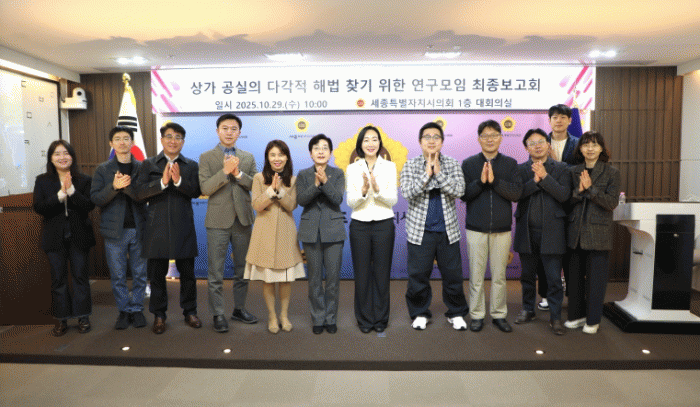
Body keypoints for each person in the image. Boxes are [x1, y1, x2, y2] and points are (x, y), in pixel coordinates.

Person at [400, 122, 468, 331]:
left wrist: (439, 173)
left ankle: (456, 313)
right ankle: (420, 312)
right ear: (420, 141)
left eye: (436, 137)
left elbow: (459, 191)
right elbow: (407, 192)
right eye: (427, 137)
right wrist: (427, 174)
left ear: (442, 141)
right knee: (418, 276)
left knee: (453, 276)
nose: (431, 140)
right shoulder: (410, 165)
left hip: (448, 231)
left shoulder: (452, 164)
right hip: (420, 232)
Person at [135, 122, 202, 334]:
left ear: (183, 142)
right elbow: (139, 193)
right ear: (162, 139)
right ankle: (159, 315)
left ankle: (190, 311)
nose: (173, 141)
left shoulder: (191, 165)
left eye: (178, 137)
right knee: (157, 276)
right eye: (169, 136)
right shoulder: (148, 164)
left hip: (183, 226)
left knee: (188, 275)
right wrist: (162, 183)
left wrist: (179, 181)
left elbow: (196, 191)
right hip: (157, 227)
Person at [199, 113, 258, 333]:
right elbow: (205, 188)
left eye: (234, 129)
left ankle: (239, 309)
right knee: (216, 271)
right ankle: (218, 313)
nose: (229, 132)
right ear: (217, 131)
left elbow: (256, 185)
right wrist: (225, 172)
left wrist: (239, 173)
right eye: (225, 128)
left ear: (239, 133)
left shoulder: (248, 157)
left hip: (243, 220)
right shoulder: (207, 157)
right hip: (217, 221)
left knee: (242, 270)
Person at [461, 120, 521, 333]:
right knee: (476, 276)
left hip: (502, 229)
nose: (490, 139)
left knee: (499, 277)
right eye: (485, 135)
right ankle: (476, 315)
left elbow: (516, 193)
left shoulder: (510, 164)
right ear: (479, 139)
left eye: (494, 135)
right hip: (475, 229)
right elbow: (464, 195)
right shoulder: (469, 164)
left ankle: (499, 314)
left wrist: (494, 182)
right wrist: (481, 182)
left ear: (500, 138)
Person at [512, 129, 571, 335]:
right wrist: (535, 182)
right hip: (527, 232)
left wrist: (545, 177)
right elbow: (517, 194)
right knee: (527, 276)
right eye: (532, 143)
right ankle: (528, 309)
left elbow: (564, 195)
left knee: (554, 278)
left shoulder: (562, 168)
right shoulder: (520, 169)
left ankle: (555, 317)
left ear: (548, 145)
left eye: (541, 142)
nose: (537, 146)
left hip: (553, 232)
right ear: (526, 147)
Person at [33, 140, 95, 336]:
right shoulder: (42, 181)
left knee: (80, 277)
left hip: (79, 235)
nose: (62, 157)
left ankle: (83, 317)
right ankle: (62, 319)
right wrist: (60, 195)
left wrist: (73, 192)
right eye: (57, 154)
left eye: (66, 153)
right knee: (58, 279)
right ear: (51, 159)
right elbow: (39, 207)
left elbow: (89, 206)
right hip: (54, 237)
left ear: (72, 156)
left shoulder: (84, 180)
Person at [90, 126, 148, 330]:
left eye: (126, 138)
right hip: (115, 231)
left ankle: (137, 309)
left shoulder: (142, 167)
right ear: (111, 143)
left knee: (140, 273)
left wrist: (127, 187)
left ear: (132, 142)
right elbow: (96, 198)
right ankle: (124, 310)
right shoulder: (103, 169)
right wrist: (114, 187)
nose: (122, 142)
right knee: (118, 275)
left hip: (139, 229)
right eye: (118, 139)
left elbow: (145, 195)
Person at [244, 140, 304, 334]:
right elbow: (257, 205)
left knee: (286, 279)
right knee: (268, 279)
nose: (277, 158)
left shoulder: (293, 180)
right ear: (267, 158)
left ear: (287, 157)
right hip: (264, 233)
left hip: (286, 233)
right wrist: (271, 190)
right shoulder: (258, 178)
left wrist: (281, 191)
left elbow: (292, 205)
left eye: (281, 154)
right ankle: (272, 316)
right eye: (273, 155)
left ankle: (284, 315)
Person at [564, 131, 621, 334]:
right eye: (586, 144)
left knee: (596, 281)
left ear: (601, 149)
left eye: (595, 145)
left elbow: (611, 203)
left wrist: (591, 189)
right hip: (575, 232)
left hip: (599, 232)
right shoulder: (572, 171)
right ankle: (576, 316)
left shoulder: (611, 172)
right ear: (580, 148)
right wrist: (579, 192)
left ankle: (593, 320)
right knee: (574, 279)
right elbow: (566, 201)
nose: (590, 148)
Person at [346, 125, 398, 333]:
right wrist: (363, 192)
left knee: (382, 273)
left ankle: (381, 319)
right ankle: (365, 319)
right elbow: (351, 202)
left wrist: (376, 190)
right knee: (362, 274)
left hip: (383, 224)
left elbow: (393, 199)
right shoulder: (353, 168)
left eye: (374, 139)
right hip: (359, 225)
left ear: (380, 143)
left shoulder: (389, 166)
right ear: (360, 144)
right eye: (366, 140)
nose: (370, 143)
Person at [297, 134, 346, 334]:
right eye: (316, 148)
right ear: (311, 153)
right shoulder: (303, 174)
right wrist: (316, 184)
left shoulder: (338, 173)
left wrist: (325, 182)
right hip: (310, 233)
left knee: (332, 280)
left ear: (330, 153)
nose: (320, 151)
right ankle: (318, 318)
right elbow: (302, 200)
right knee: (314, 279)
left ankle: (330, 317)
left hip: (334, 232)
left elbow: (337, 199)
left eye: (325, 148)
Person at [537, 103, 581, 312]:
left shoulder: (578, 143)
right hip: (547, 204)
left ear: (570, 120)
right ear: (549, 120)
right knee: (546, 253)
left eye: (563, 117)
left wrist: (557, 164)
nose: (559, 120)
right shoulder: (540, 142)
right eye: (555, 117)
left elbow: (582, 170)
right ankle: (546, 295)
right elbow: (535, 168)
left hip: (571, 204)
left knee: (572, 255)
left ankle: (572, 295)